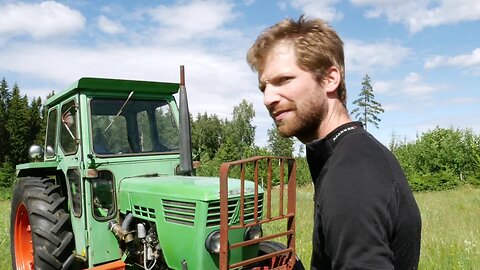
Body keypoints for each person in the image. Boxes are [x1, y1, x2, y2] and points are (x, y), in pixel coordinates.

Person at [246, 15, 421, 269]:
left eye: (284, 80)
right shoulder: (353, 153)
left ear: (330, 79)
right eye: (264, 87)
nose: (268, 98)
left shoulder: (351, 175)